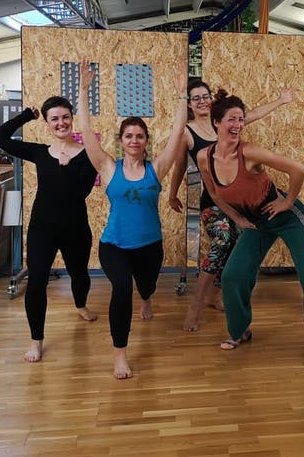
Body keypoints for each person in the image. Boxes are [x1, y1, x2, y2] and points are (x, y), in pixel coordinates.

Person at [196, 89, 304, 365]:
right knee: (232, 276)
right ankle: (239, 331)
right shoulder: (205, 157)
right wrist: (236, 219)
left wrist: (287, 202)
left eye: (241, 119)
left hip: (286, 217)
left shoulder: (248, 152)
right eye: (232, 119)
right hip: (256, 222)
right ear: (217, 122)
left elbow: (298, 169)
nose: (238, 124)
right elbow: (214, 194)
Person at [78, 59, 188, 379]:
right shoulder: (109, 168)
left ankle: (148, 298)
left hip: (150, 245)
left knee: (147, 285)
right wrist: (85, 90)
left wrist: (182, 95)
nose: (135, 140)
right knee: (122, 289)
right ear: (121, 140)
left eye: (140, 136)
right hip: (114, 244)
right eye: (129, 136)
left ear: (146, 141)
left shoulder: (157, 168)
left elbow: (178, 132)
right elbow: (86, 134)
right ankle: (120, 354)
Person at [167, 81, 294, 331]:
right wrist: (172, 194)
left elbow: (252, 114)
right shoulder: (187, 132)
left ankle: (217, 295)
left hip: (241, 200)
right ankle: (195, 306)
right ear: (189, 104)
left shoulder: (225, 122)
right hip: (214, 201)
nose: (202, 101)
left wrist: (280, 100)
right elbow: (180, 165)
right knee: (222, 239)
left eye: (206, 96)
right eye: (196, 98)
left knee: (236, 244)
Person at [0, 92, 98, 363]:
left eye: (65, 117)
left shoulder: (88, 154)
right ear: (48, 123)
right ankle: (36, 341)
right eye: (54, 119)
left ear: (72, 119)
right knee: (37, 282)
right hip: (43, 229)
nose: (60, 123)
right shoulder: (39, 152)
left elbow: (82, 192)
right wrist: (27, 115)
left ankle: (81, 305)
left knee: (79, 275)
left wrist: (65, 169)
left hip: (75, 228)